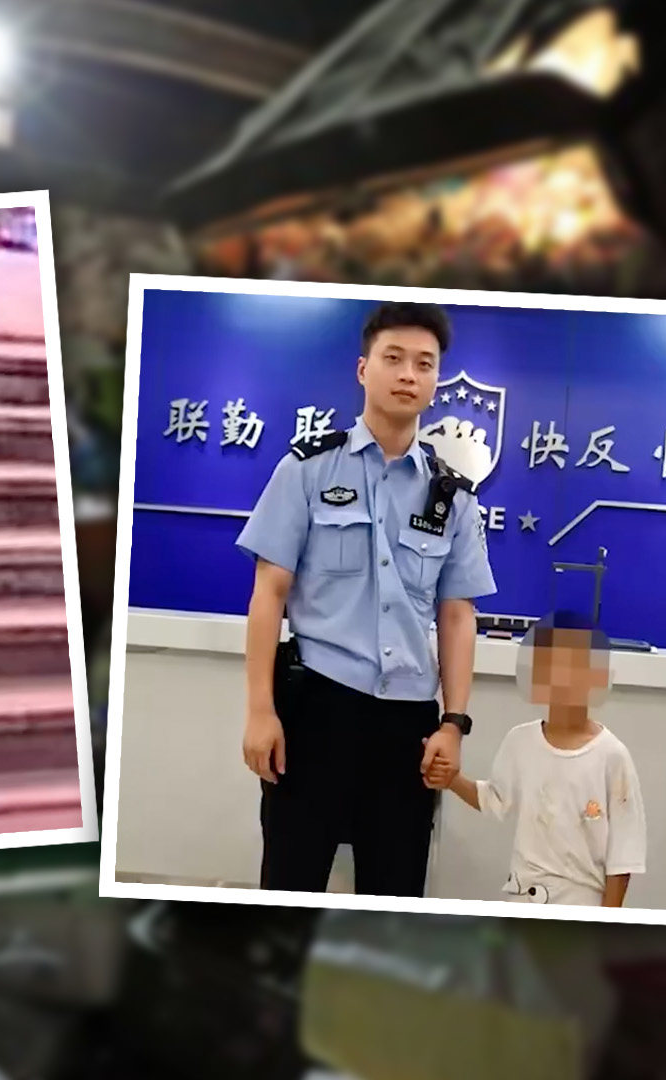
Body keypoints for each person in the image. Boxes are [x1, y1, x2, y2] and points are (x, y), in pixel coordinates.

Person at [235, 301, 496, 896]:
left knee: (395, 890)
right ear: (363, 370)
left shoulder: (452, 498)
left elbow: (457, 617)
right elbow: (268, 592)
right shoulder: (306, 470)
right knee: (289, 883)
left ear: (436, 381)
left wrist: (453, 722)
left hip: (405, 727)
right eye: (394, 358)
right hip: (314, 711)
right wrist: (259, 709)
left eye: (424, 364)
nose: (409, 374)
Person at [432, 612, 648, 906]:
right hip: (523, 897)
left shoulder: (612, 757)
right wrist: (452, 781)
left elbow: (623, 856)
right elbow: (494, 799)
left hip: (581, 903)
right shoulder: (520, 741)